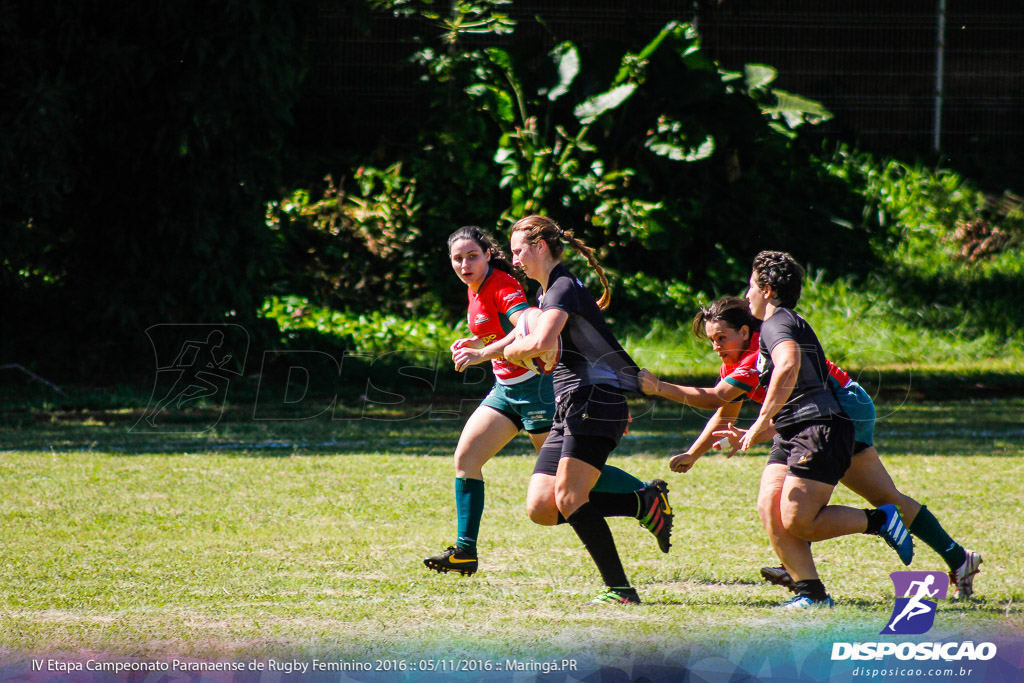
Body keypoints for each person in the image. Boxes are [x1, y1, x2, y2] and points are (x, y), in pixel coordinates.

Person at [640, 296, 982, 600]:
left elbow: (716, 398)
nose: (716, 346)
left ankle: (810, 564)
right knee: (819, 499)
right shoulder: (735, 360)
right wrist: (693, 453)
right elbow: (726, 412)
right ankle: (956, 558)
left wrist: (657, 387)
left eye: (721, 338)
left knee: (846, 503)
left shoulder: (757, 350)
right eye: (712, 340)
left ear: (745, 332)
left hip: (841, 408)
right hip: (802, 419)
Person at [644, 251, 914, 608]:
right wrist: (695, 452)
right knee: (770, 508)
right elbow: (725, 408)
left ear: (768, 290)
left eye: (752, 286)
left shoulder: (775, 327)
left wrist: (757, 422)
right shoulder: (766, 333)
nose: (748, 293)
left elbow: (779, 371)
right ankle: (811, 594)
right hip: (792, 429)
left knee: (800, 521)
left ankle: (880, 520)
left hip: (817, 425)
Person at [425, 226, 654, 576]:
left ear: (488, 255)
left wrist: (485, 352)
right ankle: (465, 551)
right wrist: (477, 342)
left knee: (565, 475)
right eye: (458, 258)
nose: (465, 264)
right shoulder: (475, 290)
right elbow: (497, 329)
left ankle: (644, 497)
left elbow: (527, 324)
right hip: (506, 389)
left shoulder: (501, 285)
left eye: (472, 256)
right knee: (467, 458)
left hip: (537, 389)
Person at [504, 215, 672, 606]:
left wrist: (514, 352)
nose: (515, 261)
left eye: (518, 251)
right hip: (571, 404)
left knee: (568, 495)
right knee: (543, 506)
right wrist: (485, 352)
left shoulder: (561, 287)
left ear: (540, 247)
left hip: (593, 399)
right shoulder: (553, 292)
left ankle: (620, 590)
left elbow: (541, 340)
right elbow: (530, 336)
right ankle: (641, 502)